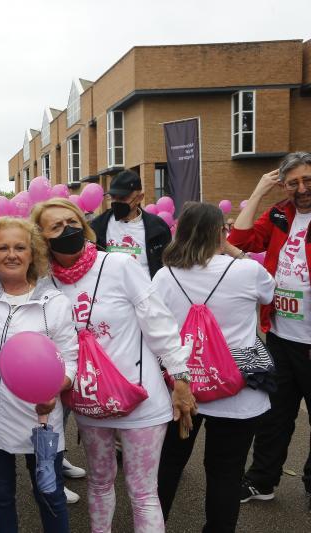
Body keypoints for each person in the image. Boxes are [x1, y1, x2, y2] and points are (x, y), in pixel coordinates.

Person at [32, 198, 195, 533]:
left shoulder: (119, 266)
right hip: (89, 403)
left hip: (143, 402)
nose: (69, 230)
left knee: (143, 491)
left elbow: (159, 323)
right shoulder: (46, 286)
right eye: (57, 227)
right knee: (100, 483)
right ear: (42, 239)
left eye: (73, 221)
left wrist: (180, 377)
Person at [155, 202, 275, 533]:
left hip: (183, 386)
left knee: (169, 463)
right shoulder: (247, 271)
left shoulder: (165, 275)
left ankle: (152, 525)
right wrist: (235, 250)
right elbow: (269, 293)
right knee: (226, 471)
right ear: (220, 234)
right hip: (238, 389)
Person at [0, 216, 78, 533]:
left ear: (33, 254)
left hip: (40, 422)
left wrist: (58, 386)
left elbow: (71, 358)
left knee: (49, 495)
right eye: (2, 247)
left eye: (20, 247)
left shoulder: (54, 302)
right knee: (0, 496)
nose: (11, 254)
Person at [228, 152, 311, 506]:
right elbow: (241, 240)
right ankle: (262, 481)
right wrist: (260, 190)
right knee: (275, 416)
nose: (302, 189)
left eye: (308, 180)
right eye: (293, 183)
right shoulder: (279, 214)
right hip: (280, 335)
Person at [91, 169, 172, 279]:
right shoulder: (98, 226)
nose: (117, 202)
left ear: (140, 198)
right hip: (110, 292)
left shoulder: (158, 228)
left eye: (123, 198)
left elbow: (167, 265)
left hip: (146, 292)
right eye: (113, 197)